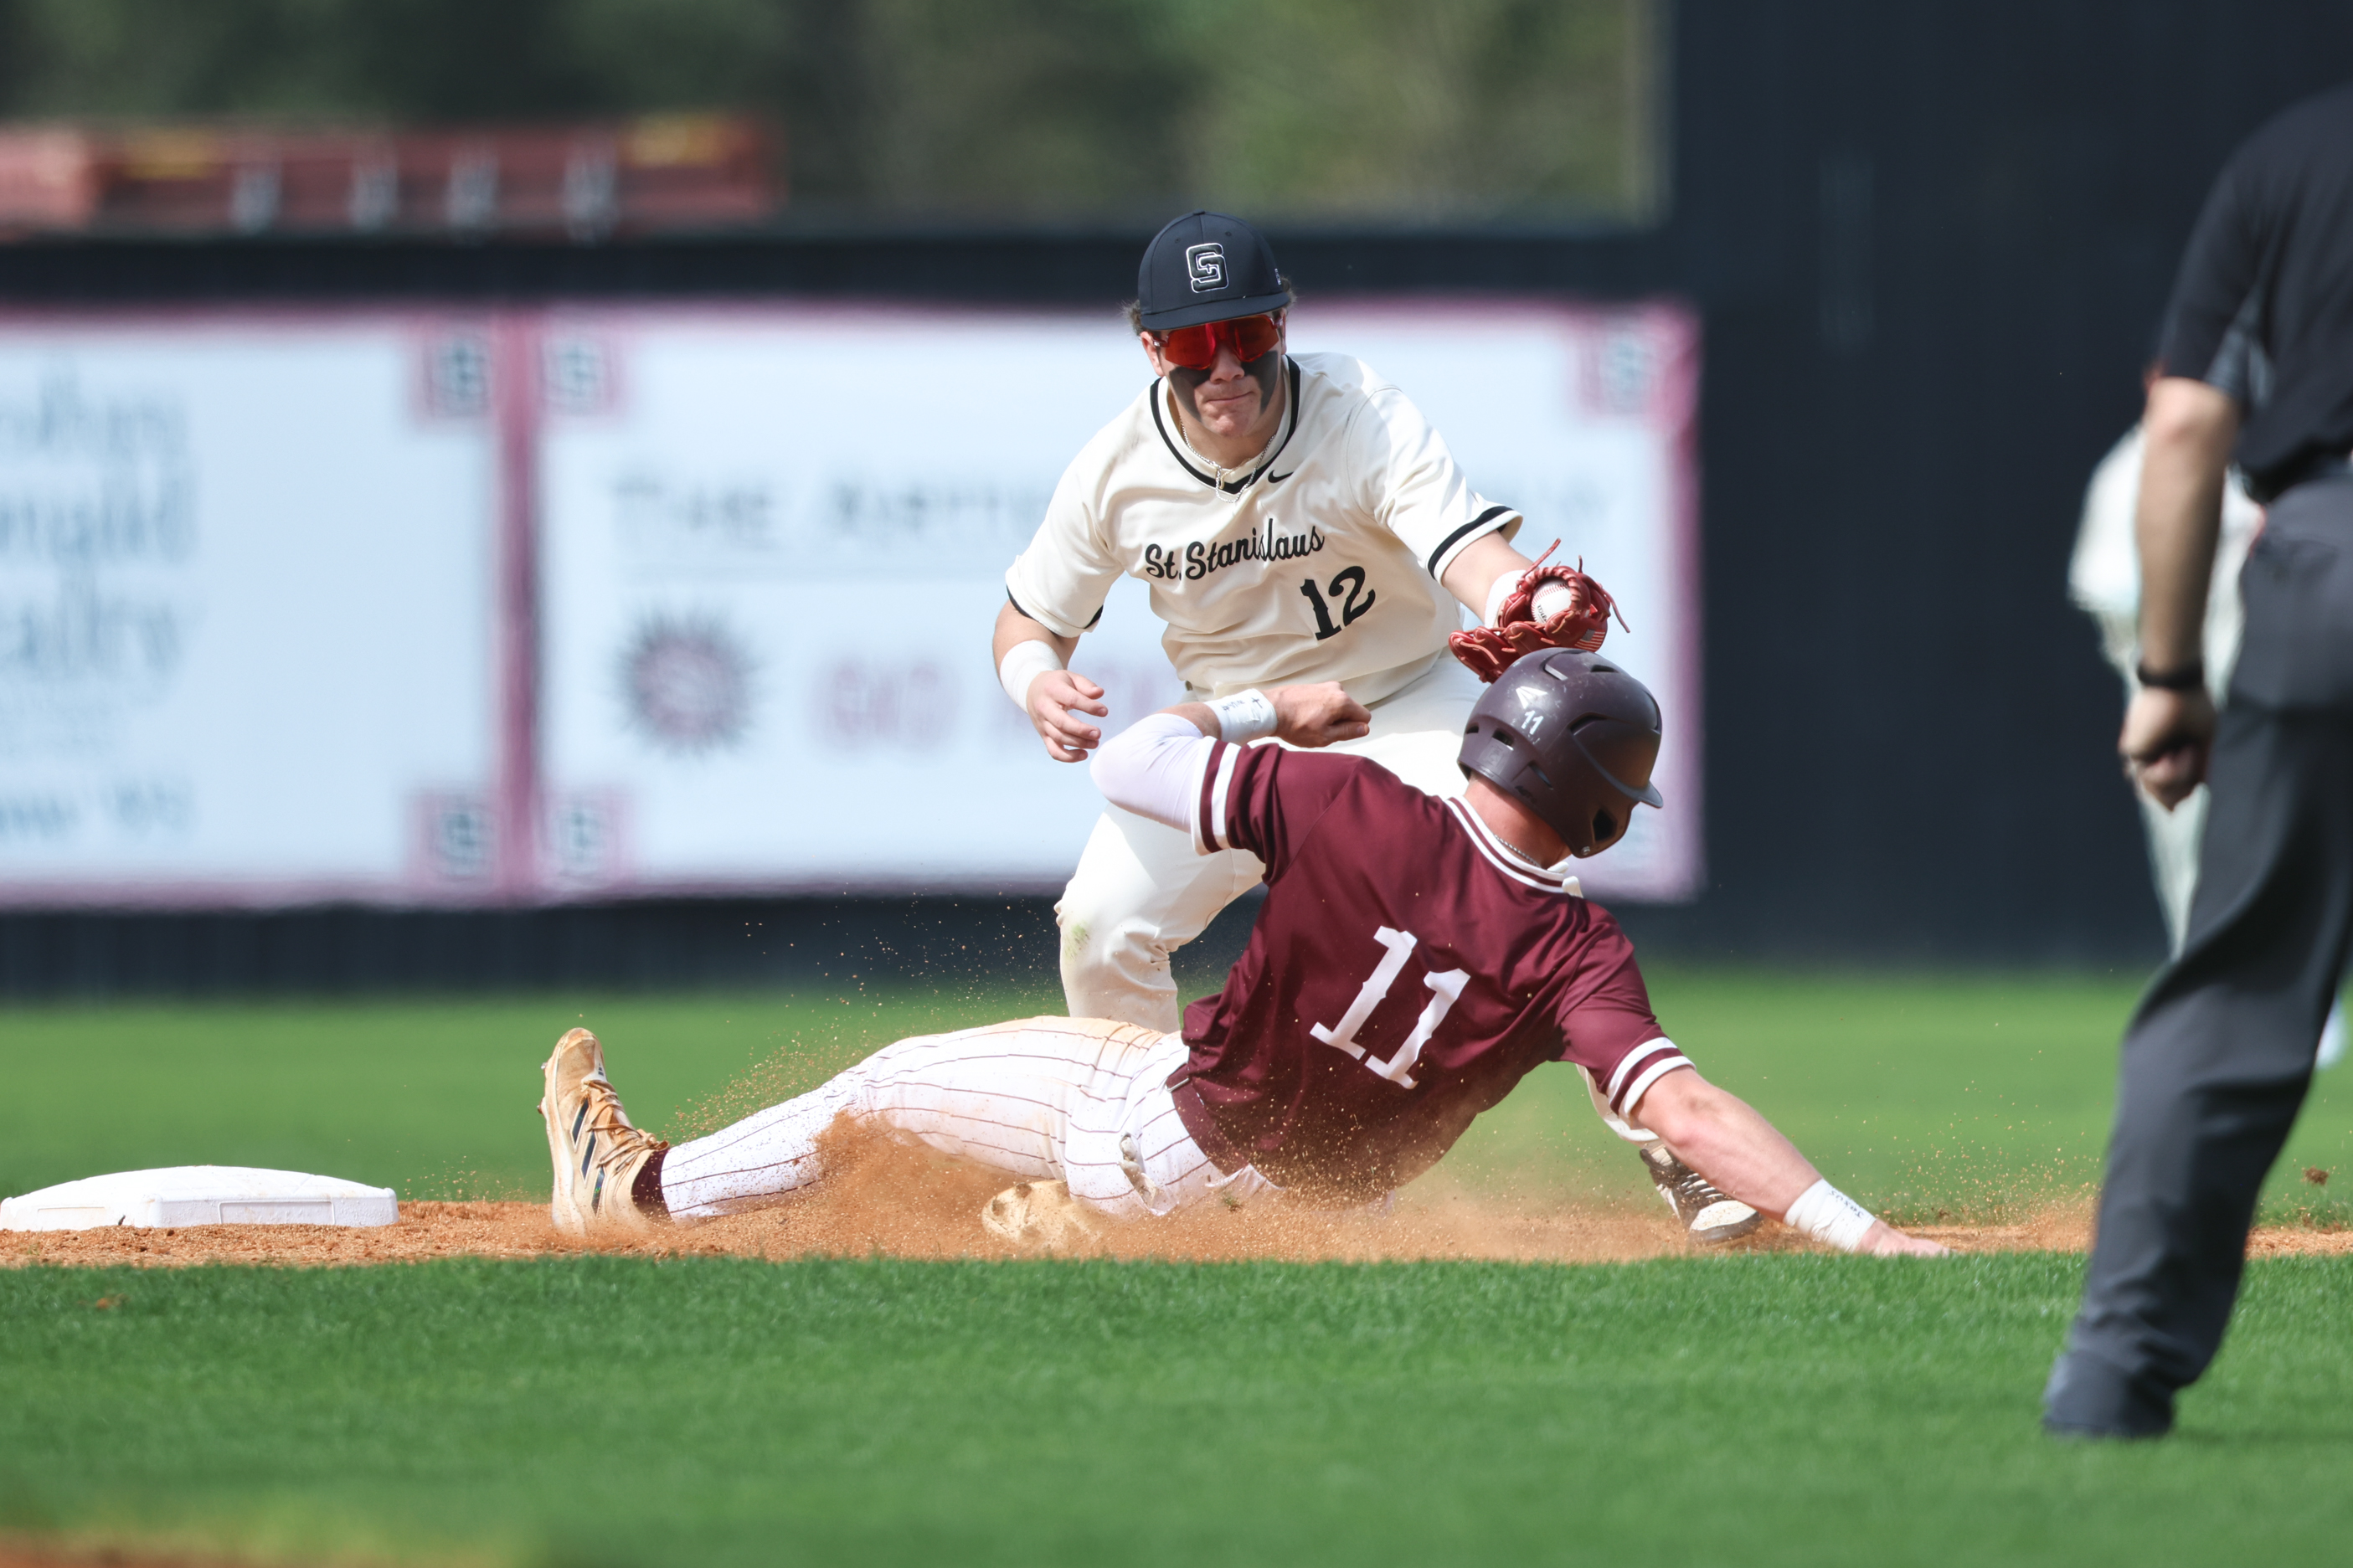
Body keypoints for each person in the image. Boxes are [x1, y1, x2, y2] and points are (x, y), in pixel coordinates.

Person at [536, 655, 1947, 1262]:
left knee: (890, 1080)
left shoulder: (1353, 801)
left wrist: (1276, 705)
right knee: (1245, 1121)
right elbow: (1679, 1109)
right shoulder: (1579, 949)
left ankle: (632, 1192)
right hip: (1318, 1221)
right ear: (1596, 799)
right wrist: (1865, 1232)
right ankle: (1073, 1235)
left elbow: (1135, 765)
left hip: (1163, 1141)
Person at [989, 208, 1756, 1241]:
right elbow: (1028, 619)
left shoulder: (1361, 412)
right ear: (1149, 348)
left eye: (1247, 335)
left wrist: (1518, 602)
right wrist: (1034, 677)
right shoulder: (1115, 468)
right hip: (1238, 737)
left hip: (1398, 705)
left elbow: (1466, 558)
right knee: (1098, 924)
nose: (1222, 366)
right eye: (1189, 343)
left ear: (1283, 324)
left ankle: (1683, 1153)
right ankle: (1143, 1165)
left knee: (1524, 891)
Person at [2045, 84, 2353, 1438]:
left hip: (2323, 578)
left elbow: (2190, 427)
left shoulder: (2295, 155)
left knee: (2232, 994)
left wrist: (2172, 680)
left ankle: (2112, 1377)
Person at [2071, 391, 2345, 1063]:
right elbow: (2109, 593)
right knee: (2194, 856)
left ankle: (2304, 998)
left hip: (2286, 690)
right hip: (2187, 703)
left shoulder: (2281, 455)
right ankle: (2222, 1005)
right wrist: (2161, 680)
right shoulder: (2131, 471)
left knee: (2302, 841)